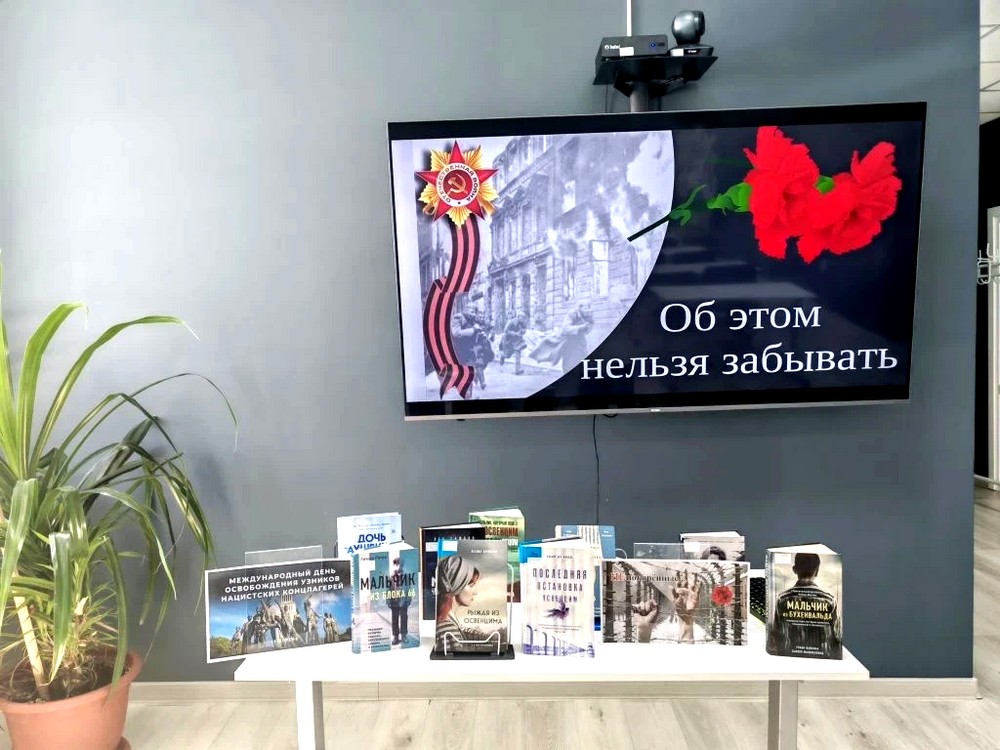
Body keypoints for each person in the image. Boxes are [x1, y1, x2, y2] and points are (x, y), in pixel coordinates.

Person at [767, 553, 842, 658]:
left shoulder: (782, 599)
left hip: (790, 657)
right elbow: (836, 638)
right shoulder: (829, 600)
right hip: (822, 659)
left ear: (794, 569)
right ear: (817, 571)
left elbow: (777, 635)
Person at [529, 302, 594, 372]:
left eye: (588, 309)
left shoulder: (589, 317)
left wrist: (587, 327)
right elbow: (565, 329)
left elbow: (587, 331)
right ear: (580, 308)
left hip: (580, 343)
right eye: (585, 308)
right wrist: (581, 327)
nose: (587, 312)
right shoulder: (572, 314)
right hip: (569, 343)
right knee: (569, 366)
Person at [435, 554, 481, 651]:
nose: (476, 592)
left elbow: (462, 629)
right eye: (471, 585)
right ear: (456, 585)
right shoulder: (448, 632)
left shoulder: (449, 622)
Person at [451, 306, 494, 390]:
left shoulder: (473, 318)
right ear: (466, 311)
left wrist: (483, 331)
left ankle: (474, 379)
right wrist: (473, 330)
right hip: (461, 347)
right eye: (472, 312)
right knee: (468, 366)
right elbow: (456, 333)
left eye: (474, 312)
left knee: (481, 360)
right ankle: (470, 384)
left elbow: (482, 324)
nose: (474, 314)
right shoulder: (458, 317)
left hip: (472, 346)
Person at [388, 555, 413, 646]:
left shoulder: (406, 576)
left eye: (400, 564)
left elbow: (409, 588)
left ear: (402, 565)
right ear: (394, 565)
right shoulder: (391, 577)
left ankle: (404, 636)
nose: (398, 566)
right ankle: (395, 637)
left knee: (404, 619)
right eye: (396, 564)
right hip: (394, 601)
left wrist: (409, 599)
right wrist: (388, 601)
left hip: (403, 601)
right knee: (394, 620)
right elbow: (388, 590)